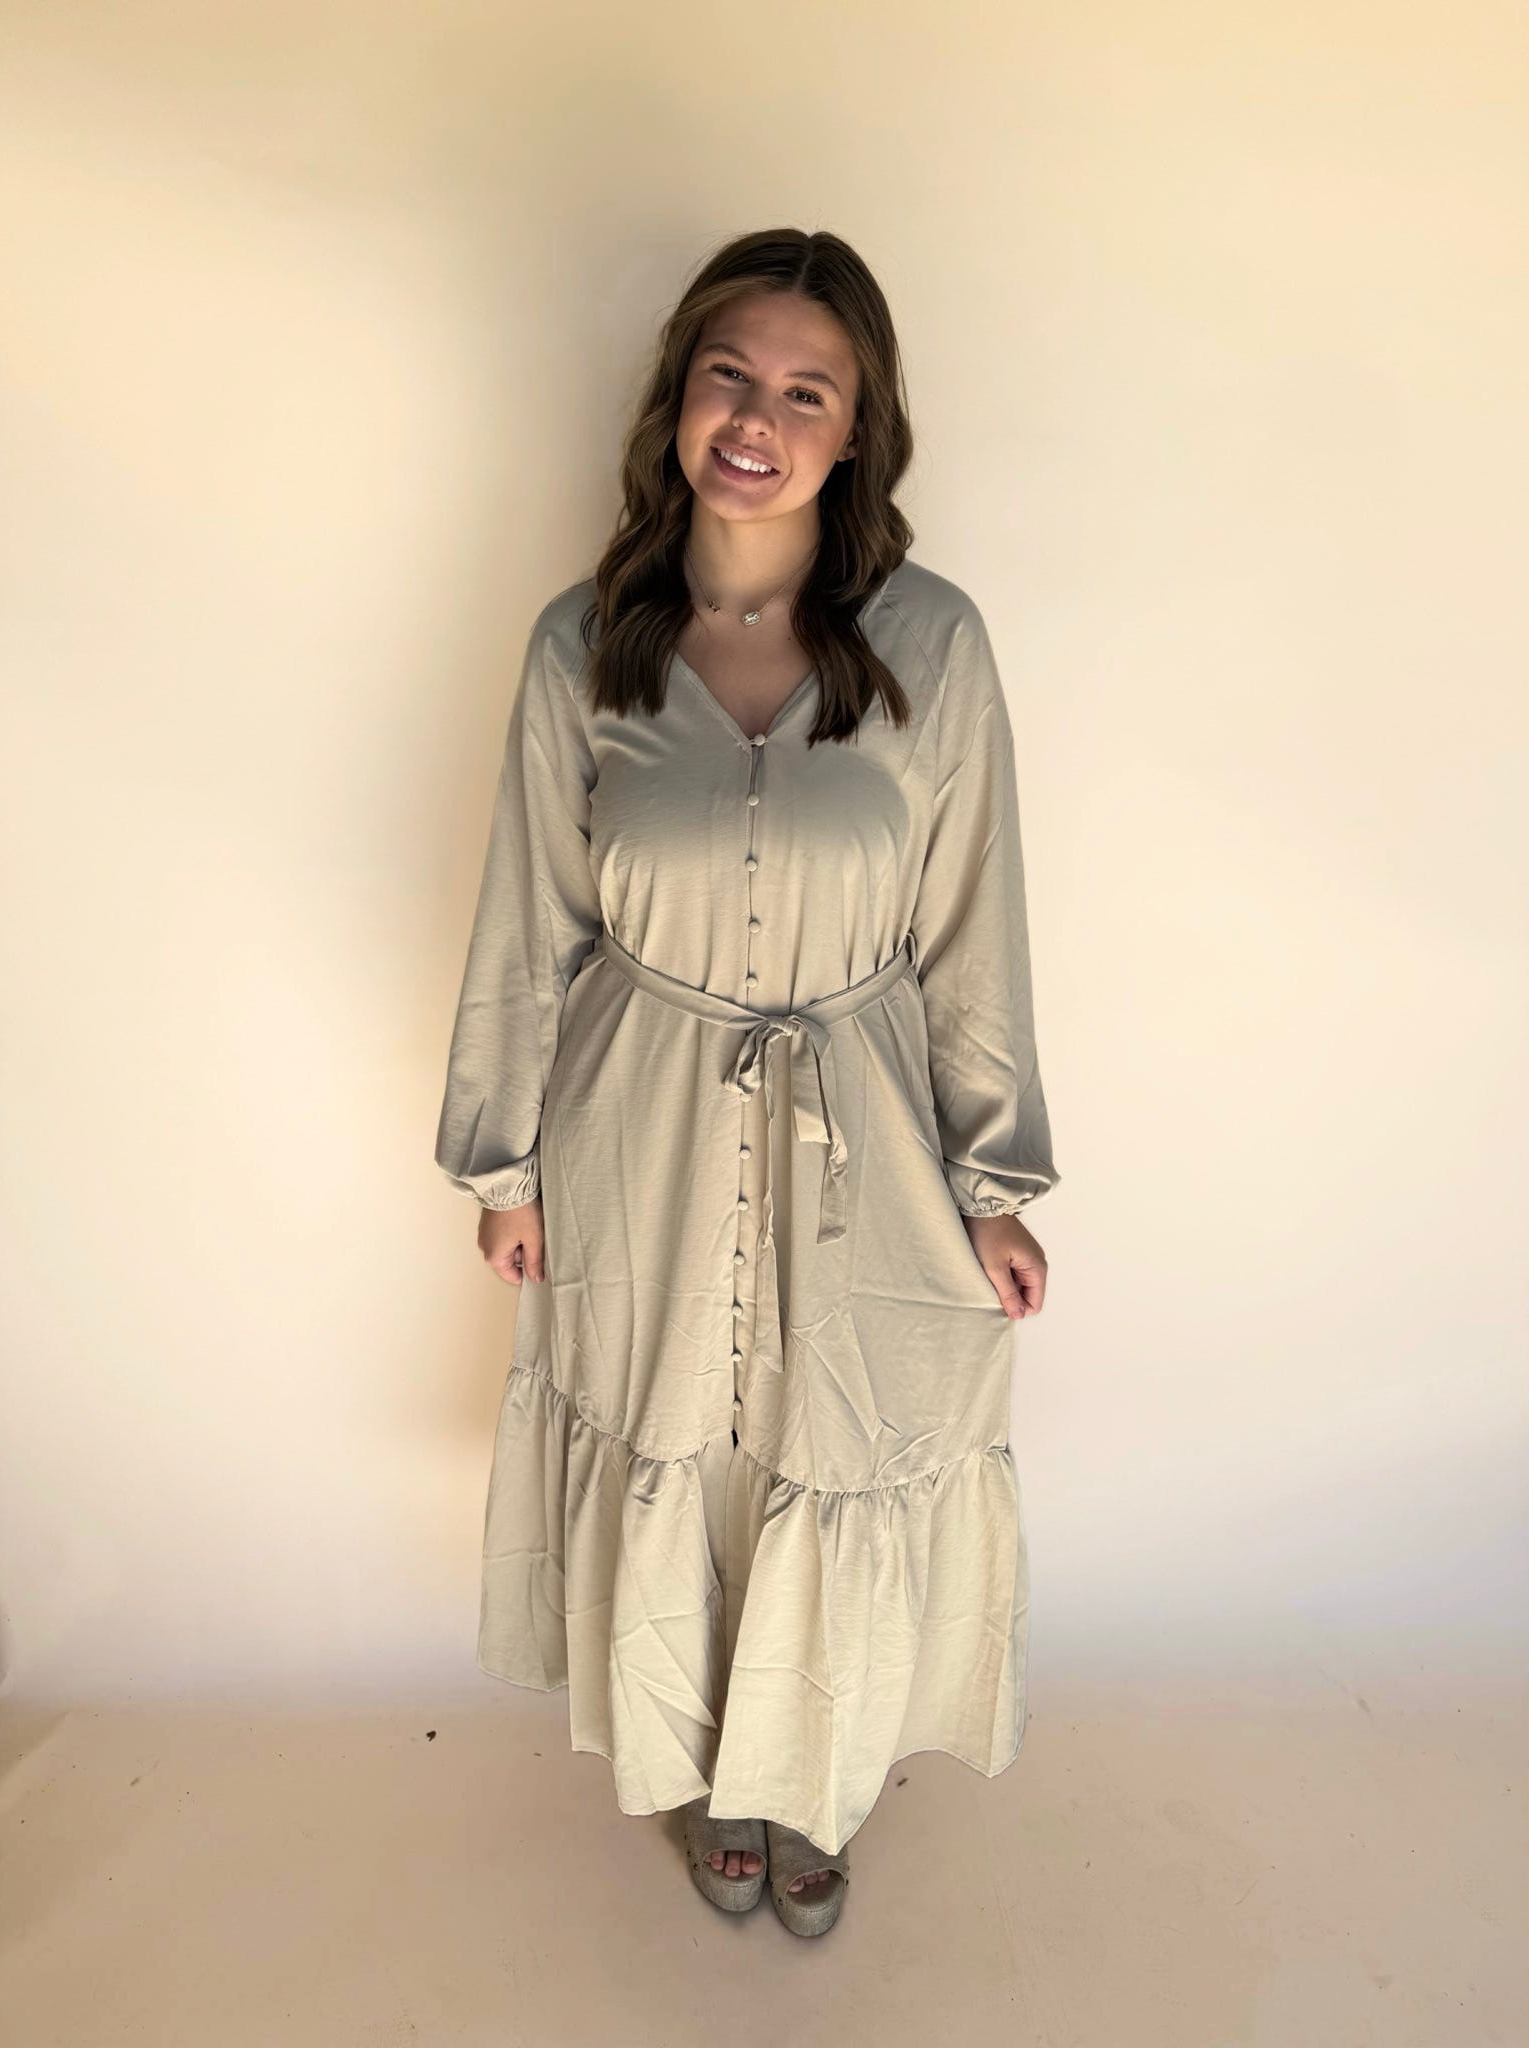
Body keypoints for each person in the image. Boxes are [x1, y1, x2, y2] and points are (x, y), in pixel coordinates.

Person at [434, 226, 1060, 1937]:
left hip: (866, 1118)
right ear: (679, 397)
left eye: (806, 391)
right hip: (633, 1116)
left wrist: (993, 1184)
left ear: (856, 432)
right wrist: (504, 1166)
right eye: (731, 375)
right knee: (686, 1437)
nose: (758, 420)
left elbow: (973, 928)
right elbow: (528, 920)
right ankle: (712, 1769)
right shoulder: (586, 646)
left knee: (831, 1433)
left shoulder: (935, 643)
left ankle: (814, 1772)